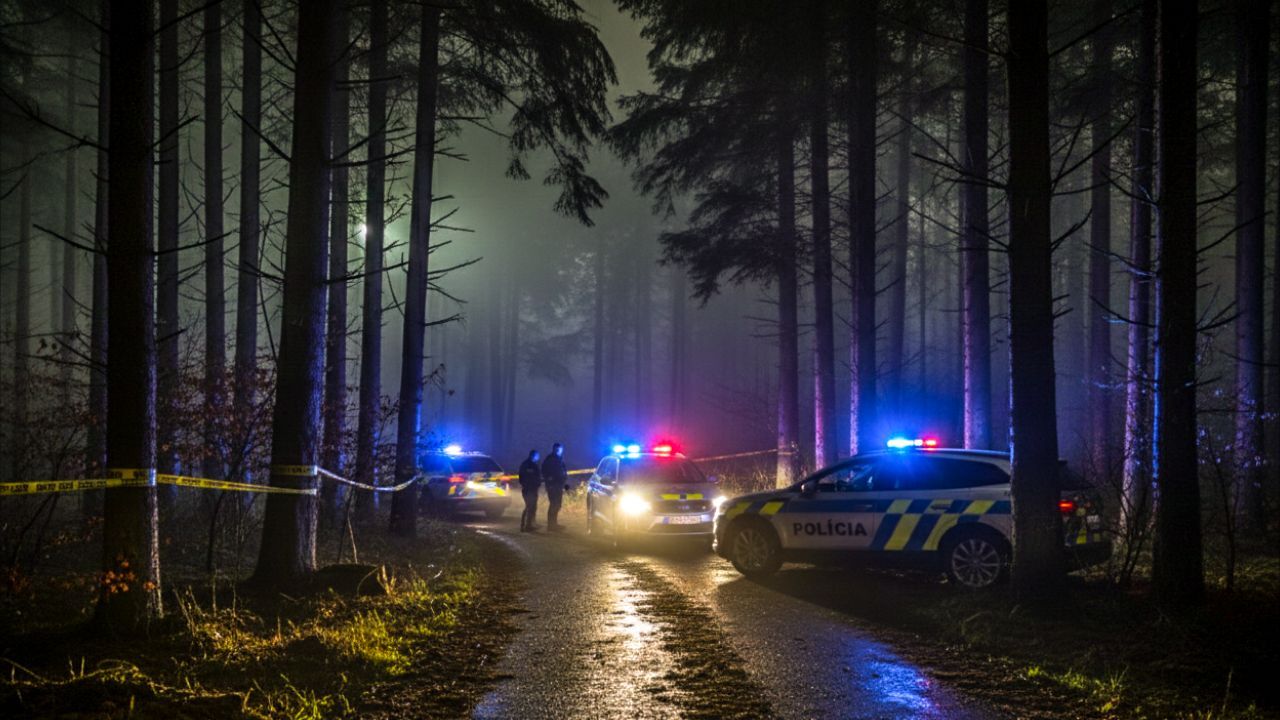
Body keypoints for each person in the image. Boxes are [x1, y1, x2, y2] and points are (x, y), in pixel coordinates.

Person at [541, 442, 569, 532]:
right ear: (554, 449)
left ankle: (554, 524)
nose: (560, 451)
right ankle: (551, 525)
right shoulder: (550, 459)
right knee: (554, 504)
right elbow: (544, 471)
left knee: (558, 505)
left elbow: (563, 471)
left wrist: (564, 482)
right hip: (553, 486)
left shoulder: (560, 459)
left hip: (559, 485)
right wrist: (549, 481)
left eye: (560, 450)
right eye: (558, 449)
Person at [518, 449, 542, 532]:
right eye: (538, 456)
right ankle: (525, 525)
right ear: (534, 456)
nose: (539, 457)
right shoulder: (527, 465)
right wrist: (528, 485)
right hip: (528, 489)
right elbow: (522, 477)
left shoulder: (533, 465)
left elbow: (536, 477)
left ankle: (531, 524)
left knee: (533, 507)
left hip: (533, 489)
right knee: (529, 506)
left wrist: (539, 482)